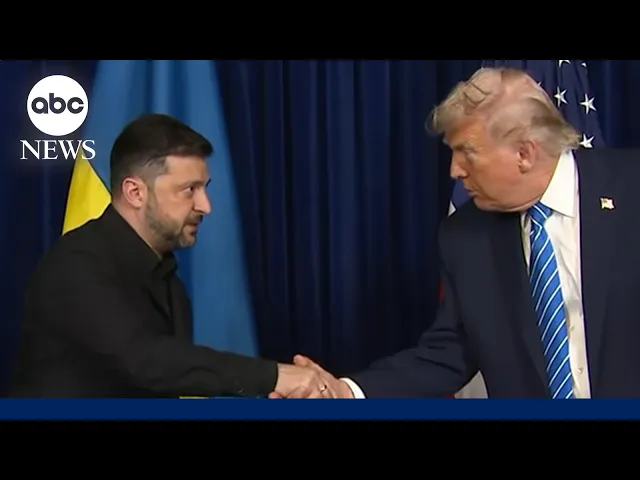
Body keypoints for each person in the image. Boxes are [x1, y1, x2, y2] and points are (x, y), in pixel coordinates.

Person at [276, 66, 640, 399]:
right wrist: (346, 391)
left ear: (524, 154)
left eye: (467, 152)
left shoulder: (630, 190)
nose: (455, 170)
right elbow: (449, 353)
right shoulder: (464, 237)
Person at [8, 113, 327, 398]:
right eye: (190, 189)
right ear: (135, 192)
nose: (205, 206)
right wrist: (274, 376)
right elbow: (146, 362)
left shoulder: (168, 281)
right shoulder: (76, 264)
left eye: (205, 188)